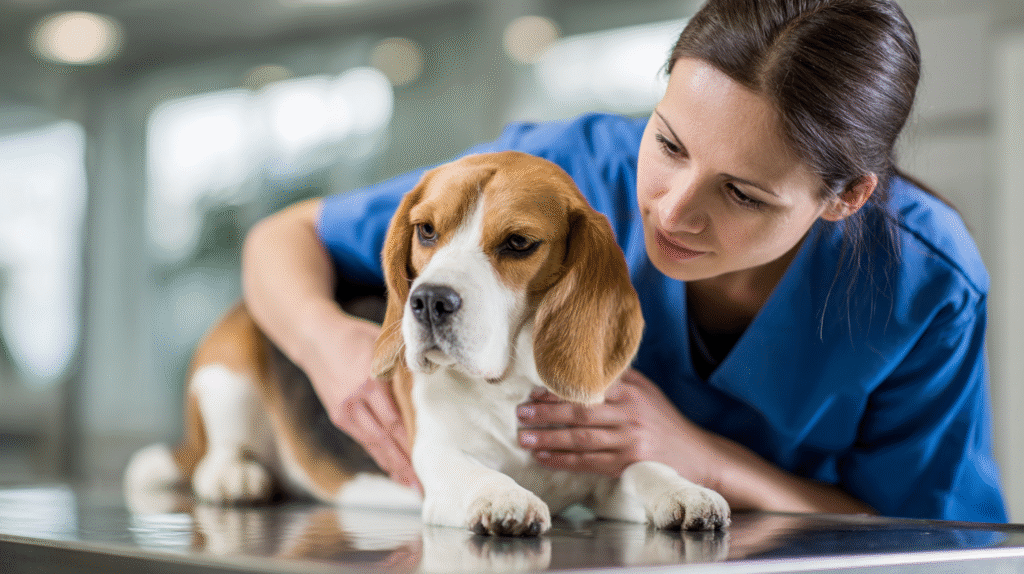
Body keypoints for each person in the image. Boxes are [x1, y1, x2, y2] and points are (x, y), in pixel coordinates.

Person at [241, 0, 1008, 522]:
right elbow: (284, 236)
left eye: (741, 193)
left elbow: (927, 539)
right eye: (669, 142)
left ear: (844, 197)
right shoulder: (562, 175)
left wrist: (705, 460)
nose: (670, 211)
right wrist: (327, 345)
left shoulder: (926, 285)